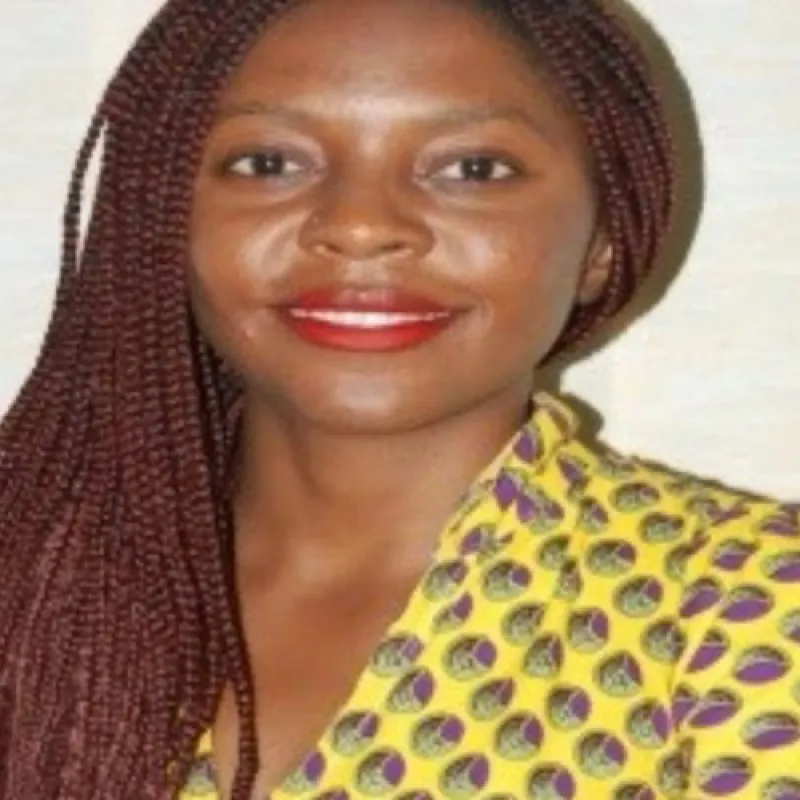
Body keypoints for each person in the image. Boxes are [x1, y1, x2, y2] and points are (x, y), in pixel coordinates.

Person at [0, 0, 797, 797]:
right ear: (159, 217)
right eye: (269, 162)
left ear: (601, 242)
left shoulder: (747, 604)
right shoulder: (28, 578)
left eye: (473, 169)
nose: (359, 226)